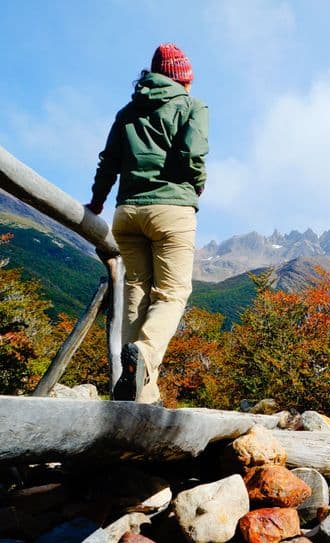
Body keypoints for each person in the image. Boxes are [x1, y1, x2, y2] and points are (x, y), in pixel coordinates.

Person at [87, 43, 209, 404]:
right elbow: (193, 153)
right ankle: (144, 353)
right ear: (183, 77)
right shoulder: (192, 106)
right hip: (172, 210)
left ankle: (141, 394)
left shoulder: (127, 112)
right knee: (172, 293)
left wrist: (96, 201)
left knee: (135, 292)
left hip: (127, 213)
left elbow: (108, 161)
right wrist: (196, 185)